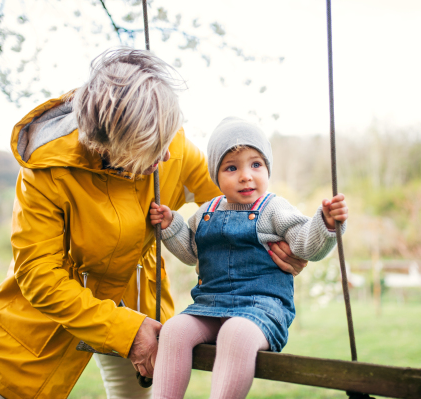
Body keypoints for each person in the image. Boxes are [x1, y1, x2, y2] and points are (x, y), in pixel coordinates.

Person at [0, 49, 307, 399]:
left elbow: (240, 205)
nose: (166, 155)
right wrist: (124, 331)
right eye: (152, 148)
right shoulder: (46, 170)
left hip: (139, 300)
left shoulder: (165, 137)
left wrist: (276, 240)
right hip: (49, 313)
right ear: (109, 145)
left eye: (168, 140)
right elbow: (39, 274)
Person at [149, 117, 349, 399]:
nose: (246, 175)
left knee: (236, 333)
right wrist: (171, 226)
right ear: (215, 176)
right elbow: (191, 251)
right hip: (211, 304)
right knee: (174, 330)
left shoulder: (274, 209)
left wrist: (326, 223)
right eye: (232, 167)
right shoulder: (207, 211)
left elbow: (306, 246)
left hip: (262, 309)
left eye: (255, 164)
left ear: (267, 168)